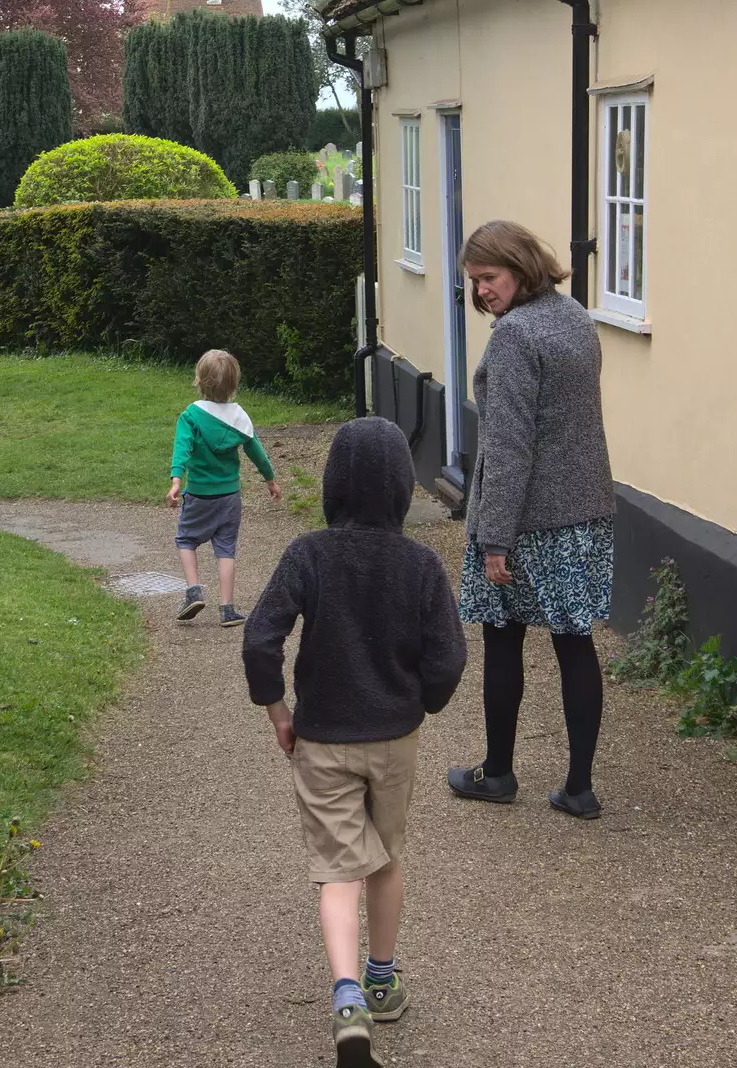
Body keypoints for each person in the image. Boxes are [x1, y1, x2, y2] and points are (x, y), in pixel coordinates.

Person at [243, 417, 466, 1068]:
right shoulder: (422, 564)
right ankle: (381, 978)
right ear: (402, 488)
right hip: (394, 737)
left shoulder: (307, 555)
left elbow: (260, 639)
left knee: (338, 874)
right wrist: (420, 703)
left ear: (334, 483)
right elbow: (448, 659)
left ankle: (346, 1001)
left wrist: (278, 711)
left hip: (321, 739)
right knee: (386, 858)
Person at [447, 219, 615, 821]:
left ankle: (497, 774)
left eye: (489, 278)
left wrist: (494, 538)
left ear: (519, 267)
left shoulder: (516, 335)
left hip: (527, 519)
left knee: (501, 636)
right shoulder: (573, 316)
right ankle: (579, 787)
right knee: (575, 642)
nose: (482, 292)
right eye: (474, 282)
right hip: (584, 511)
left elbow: (511, 444)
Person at [168, 348, 281, 627]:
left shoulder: (191, 416)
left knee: (186, 540)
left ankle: (193, 591)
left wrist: (176, 480)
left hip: (200, 494)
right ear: (234, 385)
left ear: (199, 381)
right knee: (226, 548)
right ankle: (227, 609)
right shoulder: (239, 418)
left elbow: (182, 449)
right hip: (230, 496)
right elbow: (257, 452)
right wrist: (270, 479)